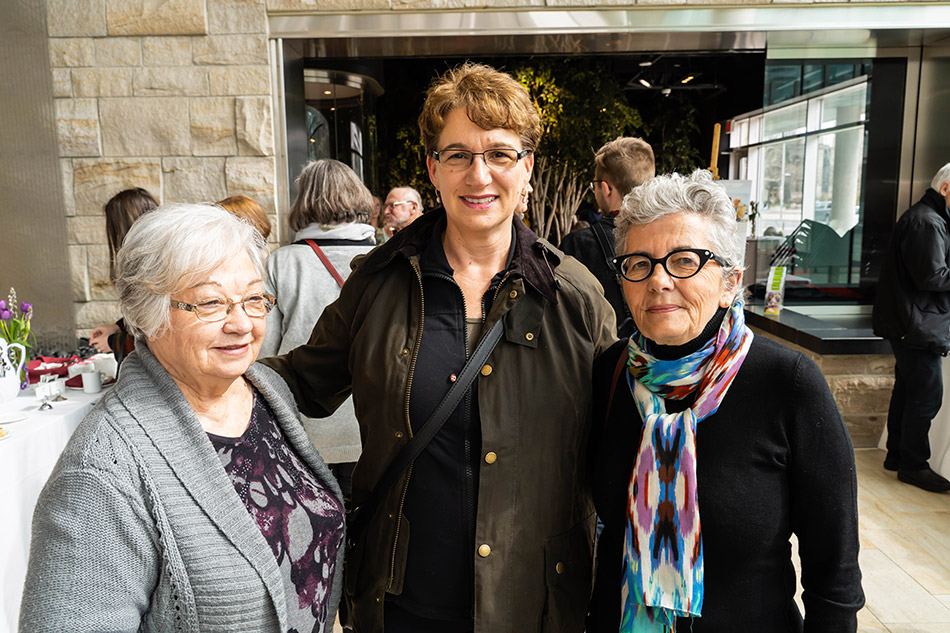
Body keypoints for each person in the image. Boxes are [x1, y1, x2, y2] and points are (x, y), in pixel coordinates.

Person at [260, 62, 617, 633]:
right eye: (458, 155)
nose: (479, 174)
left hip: (535, 604)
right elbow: (303, 380)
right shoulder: (377, 284)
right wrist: (200, 371)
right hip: (400, 601)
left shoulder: (573, 296)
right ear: (433, 168)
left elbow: (622, 435)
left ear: (527, 169)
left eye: (499, 154)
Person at [20, 204, 346, 633]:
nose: (242, 324)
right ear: (148, 314)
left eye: (253, 298)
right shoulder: (103, 469)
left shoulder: (266, 391)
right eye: (211, 303)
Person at [587, 170, 864, 632]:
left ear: (730, 282)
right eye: (639, 263)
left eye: (684, 260)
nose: (658, 280)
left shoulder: (786, 383)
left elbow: (834, 570)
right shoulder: (611, 373)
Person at [259, 158, 377, 501]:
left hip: (304, 431)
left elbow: (264, 353)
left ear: (304, 201)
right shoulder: (385, 259)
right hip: (374, 431)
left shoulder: (282, 262)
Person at [873, 162, 950, 493]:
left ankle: (897, 455)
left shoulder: (929, 218)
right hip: (916, 324)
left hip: (912, 321)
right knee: (927, 396)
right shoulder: (927, 222)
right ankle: (914, 465)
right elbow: (932, 276)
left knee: (907, 390)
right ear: (945, 189)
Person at [559, 137, 655, 338]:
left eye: (595, 186)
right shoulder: (668, 238)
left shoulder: (577, 245)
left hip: (602, 362)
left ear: (606, 188)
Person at [89, 187, 158, 358]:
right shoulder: (155, 259)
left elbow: (152, 332)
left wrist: (113, 342)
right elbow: (141, 316)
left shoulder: (152, 267)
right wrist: (118, 327)